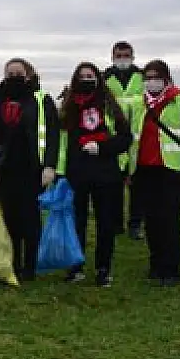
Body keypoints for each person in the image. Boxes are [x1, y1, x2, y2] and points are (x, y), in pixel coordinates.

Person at [0, 58, 60, 281]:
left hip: (32, 168)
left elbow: (52, 134)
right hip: (3, 168)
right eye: (9, 74)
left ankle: (30, 265)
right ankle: (13, 262)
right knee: (9, 217)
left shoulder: (41, 99)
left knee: (30, 218)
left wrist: (50, 165)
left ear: (28, 75)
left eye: (18, 74)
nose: (14, 78)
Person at [129, 60, 180, 287]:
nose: (151, 81)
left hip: (172, 169)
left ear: (166, 79)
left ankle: (171, 269)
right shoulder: (138, 103)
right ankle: (155, 265)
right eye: (148, 77)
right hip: (144, 169)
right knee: (151, 220)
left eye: (156, 77)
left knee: (168, 219)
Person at [57, 63, 132, 287]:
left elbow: (125, 139)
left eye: (90, 76)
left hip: (106, 172)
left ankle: (103, 268)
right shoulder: (68, 106)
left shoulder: (110, 105)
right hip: (76, 173)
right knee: (76, 222)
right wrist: (60, 172)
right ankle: (75, 267)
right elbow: (62, 142)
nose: (86, 80)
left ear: (98, 78)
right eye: (82, 76)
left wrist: (102, 148)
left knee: (105, 223)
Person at [105, 41, 146, 240]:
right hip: (115, 136)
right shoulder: (105, 77)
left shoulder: (143, 76)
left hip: (139, 137)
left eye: (126, 55)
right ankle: (116, 224)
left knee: (138, 185)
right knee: (114, 184)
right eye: (119, 56)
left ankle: (135, 224)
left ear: (133, 56)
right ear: (112, 57)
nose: (123, 59)